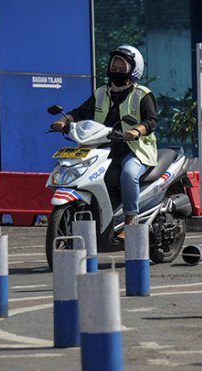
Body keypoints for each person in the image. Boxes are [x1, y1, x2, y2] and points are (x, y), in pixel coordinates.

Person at [51, 45, 158, 240]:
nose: (115, 71)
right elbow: (81, 111)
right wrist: (64, 121)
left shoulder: (143, 94)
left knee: (128, 174)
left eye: (121, 68)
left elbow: (151, 121)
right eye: (113, 67)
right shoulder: (101, 92)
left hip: (134, 149)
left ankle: (130, 220)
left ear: (134, 71)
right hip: (104, 147)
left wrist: (135, 131)